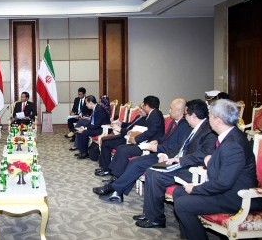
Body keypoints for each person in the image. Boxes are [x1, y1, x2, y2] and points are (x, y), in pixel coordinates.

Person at [173, 99, 262, 240]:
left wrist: (195, 189)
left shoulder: (233, 144)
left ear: (218, 120)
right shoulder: (231, 135)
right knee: (179, 192)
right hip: (228, 188)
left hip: (237, 196)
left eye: (210, 116)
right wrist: (211, 161)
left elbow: (223, 183)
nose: (208, 119)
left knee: (183, 204)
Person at [134, 99, 217, 228]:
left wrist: (179, 160)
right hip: (181, 164)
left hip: (193, 169)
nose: (185, 117)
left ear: (194, 116)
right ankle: (150, 214)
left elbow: (204, 154)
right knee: (151, 171)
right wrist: (166, 155)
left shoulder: (209, 131)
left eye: (186, 114)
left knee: (156, 175)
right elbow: (180, 148)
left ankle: (156, 219)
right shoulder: (192, 128)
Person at [94, 98, 189, 203]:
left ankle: (115, 188)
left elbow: (176, 147)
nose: (169, 110)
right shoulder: (174, 122)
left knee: (132, 159)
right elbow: (164, 138)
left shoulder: (182, 125)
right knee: (132, 159)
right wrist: (157, 142)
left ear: (179, 111)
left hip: (166, 156)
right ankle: (116, 187)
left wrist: (156, 146)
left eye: (171, 108)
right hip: (157, 149)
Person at [95, 95, 165, 177]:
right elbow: (136, 127)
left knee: (121, 149)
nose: (140, 109)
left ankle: (115, 175)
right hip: (137, 139)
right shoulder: (152, 114)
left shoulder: (154, 114)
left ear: (147, 105)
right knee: (109, 142)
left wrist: (135, 138)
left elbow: (150, 132)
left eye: (142, 106)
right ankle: (111, 172)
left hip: (147, 144)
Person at [73, 95, 110, 159]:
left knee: (84, 132)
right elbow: (91, 122)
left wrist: (85, 128)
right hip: (97, 127)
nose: (86, 105)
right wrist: (83, 127)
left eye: (86, 103)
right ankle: (82, 151)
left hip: (103, 129)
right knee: (80, 131)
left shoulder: (99, 110)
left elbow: (97, 125)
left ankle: (85, 153)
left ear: (91, 102)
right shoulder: (95, 108)